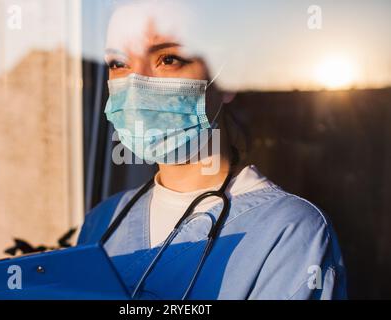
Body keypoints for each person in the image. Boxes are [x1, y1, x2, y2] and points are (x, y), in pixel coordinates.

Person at [77, 0, 347, 300]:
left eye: (168, 59)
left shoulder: (289, 232)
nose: (137, 84)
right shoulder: (102, 222)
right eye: (119, 63)